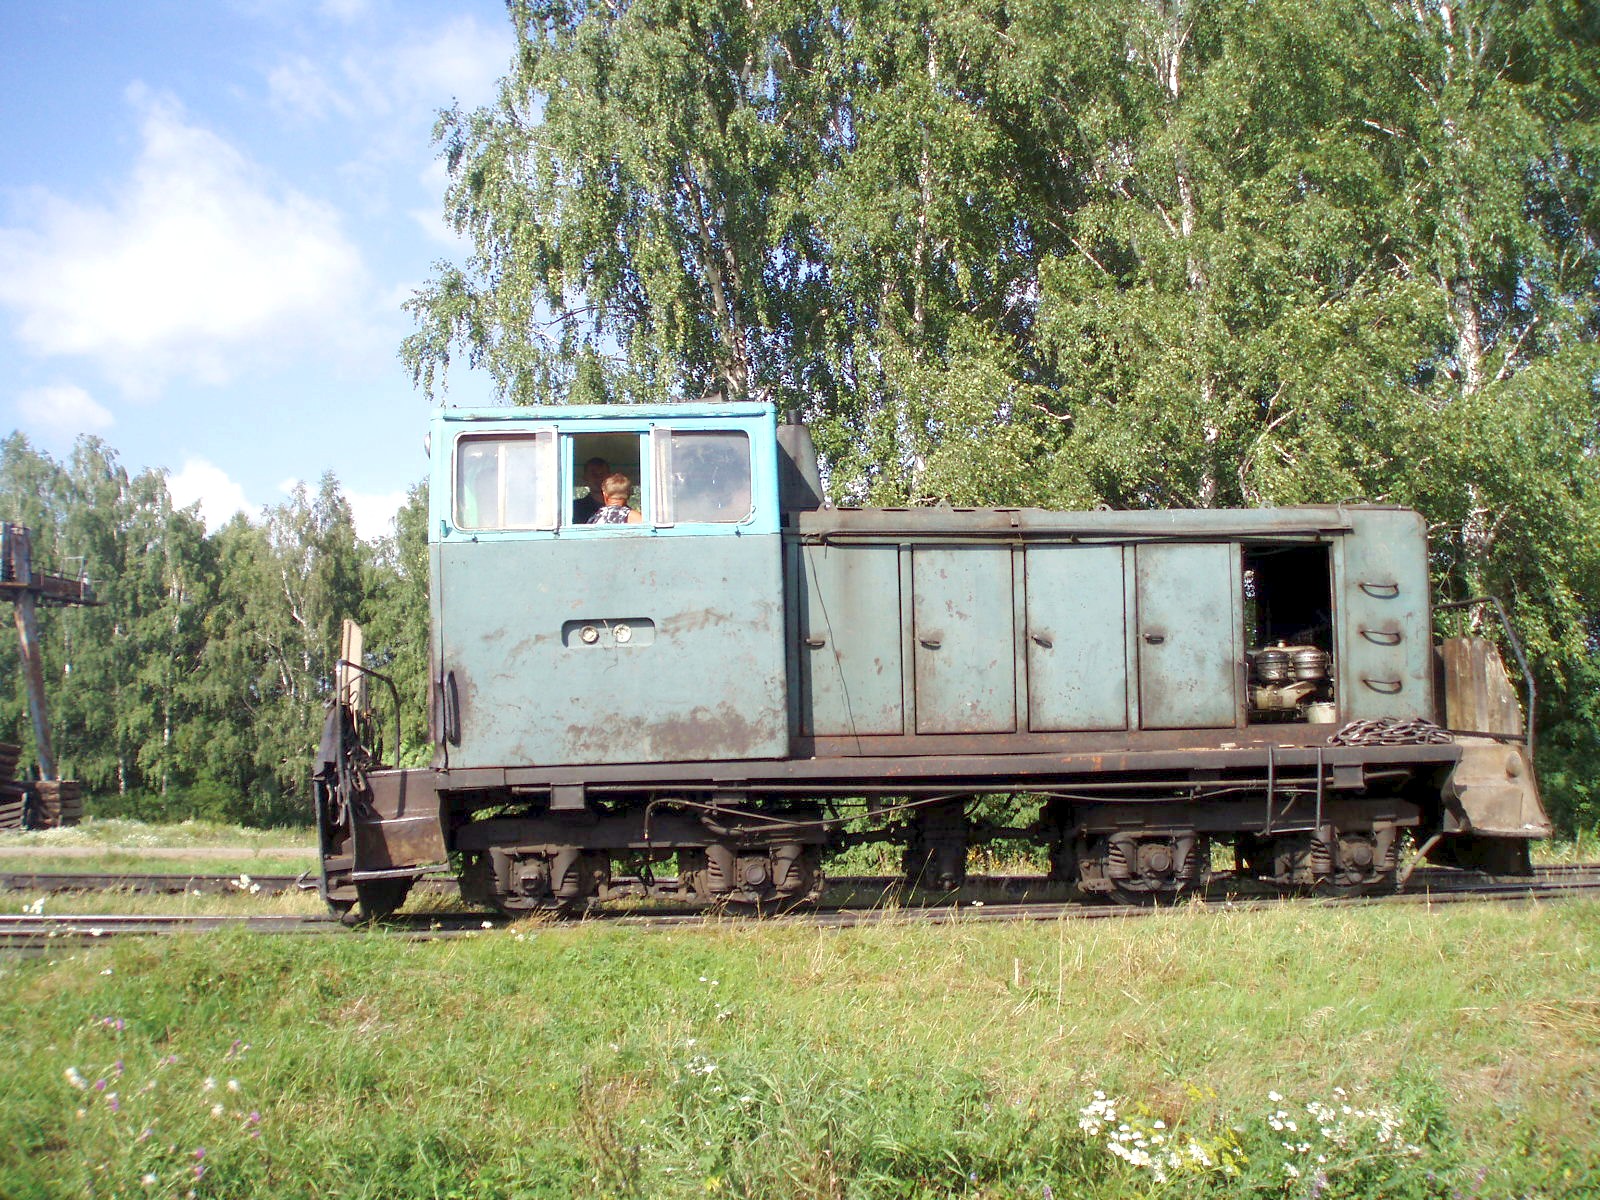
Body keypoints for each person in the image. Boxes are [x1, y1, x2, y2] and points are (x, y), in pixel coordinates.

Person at [572, 456, 610, 524]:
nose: (598, 478)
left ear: (609, 477)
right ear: (585, 478)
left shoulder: (621, 508)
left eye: (602, 474)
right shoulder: (575, 508)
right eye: (593, 474)